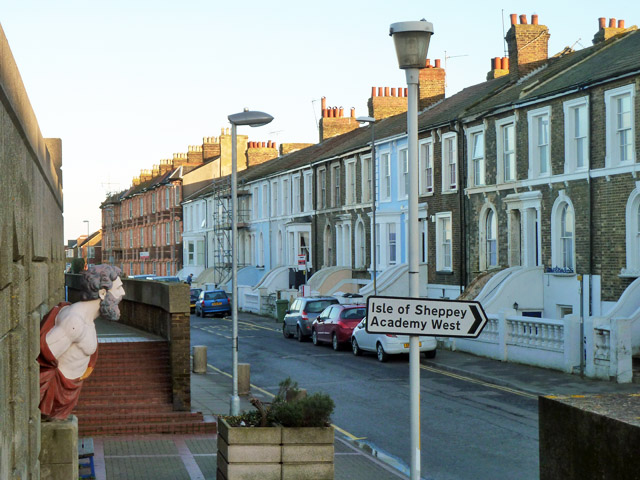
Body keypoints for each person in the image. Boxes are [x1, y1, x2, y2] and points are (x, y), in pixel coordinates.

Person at [38, 265, 125, 420]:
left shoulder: (86, 320)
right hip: (56, 396)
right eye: (118, 288)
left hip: (67, 394)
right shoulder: (74, 321)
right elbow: (42, 358)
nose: (123, 293)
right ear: (103, 293)